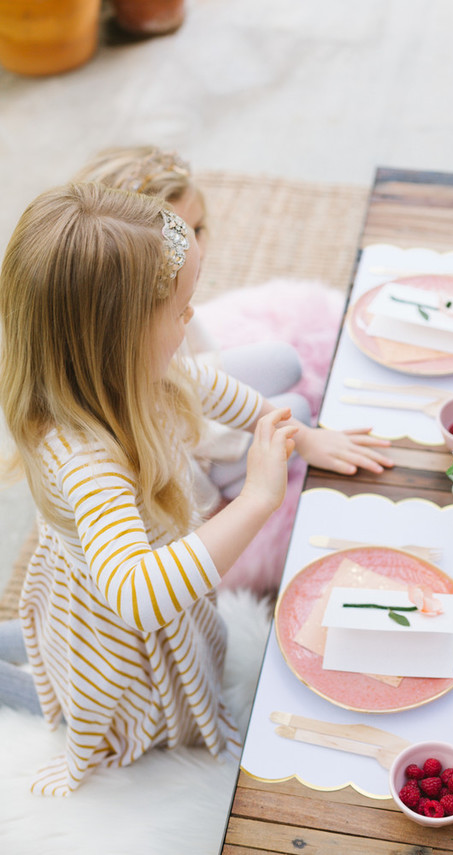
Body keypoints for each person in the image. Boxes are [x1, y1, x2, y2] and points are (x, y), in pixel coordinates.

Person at [0, 182, 392, 795]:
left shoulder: (134, 368)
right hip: (114, 630)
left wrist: (303, 437)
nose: (192, 321)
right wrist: (260, 498)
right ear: (116, 337)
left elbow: (210, 388)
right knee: (122, 716)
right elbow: (135, 594)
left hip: (106, 588)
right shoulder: (85, 457)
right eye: (180, 311)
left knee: (55, 642)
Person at [73, 145, 312, 502]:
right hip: (180, 446)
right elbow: (176, 475)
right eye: (180, 238)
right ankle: (231, 477)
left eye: (198, 229)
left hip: (182, 392)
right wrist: (227, 499)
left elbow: (192, 374)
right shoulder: (132, 362)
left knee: (285, 365)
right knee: (299, 412)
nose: (196, 249)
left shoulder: (159, 319)